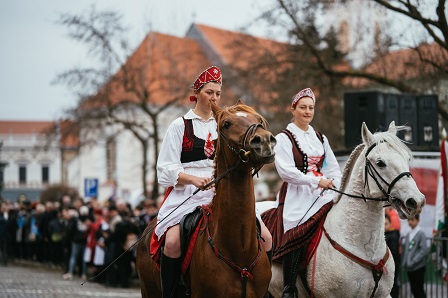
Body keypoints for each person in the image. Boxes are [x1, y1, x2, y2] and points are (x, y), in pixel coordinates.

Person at [151, 66, 273, 297]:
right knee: (173, 242)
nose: (214, 98)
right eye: (209, 92)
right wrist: (193, 179)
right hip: (187, 194)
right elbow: (164, 168)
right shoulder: (180, 126)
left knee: (266, 238)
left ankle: (262, 289)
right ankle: (173, 292)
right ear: (197, 93)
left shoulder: (226, 124)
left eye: (217, 93)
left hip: (223, 192)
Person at [265, 87, 342, 298]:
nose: (307, 112)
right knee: (297, 227)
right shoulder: (284, 138)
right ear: (293, 109)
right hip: (297, 193)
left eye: (311, 108)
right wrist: (316, 181)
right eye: (303, 108)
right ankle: (289, 287)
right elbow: (287, 172)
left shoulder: (320, 137)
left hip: (324, 190)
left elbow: (333, 167)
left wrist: (334, 182)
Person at [402, 214, 427, 298]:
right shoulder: (409, 234)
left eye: (412, 220)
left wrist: (413, 261)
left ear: (418, 220)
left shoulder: (421, 233)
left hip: (418, 267)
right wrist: (405, 263)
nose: (410, 222)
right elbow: (406, 250)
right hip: (410, 267)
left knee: (419, 289)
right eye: (409, 220)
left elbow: (423, 250)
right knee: (413, 289)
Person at [385, 213, 400, 298]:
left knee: (393, 284)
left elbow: (393, 251)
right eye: (383, 224)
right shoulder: (383, 235)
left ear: (390, 224)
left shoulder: (394, 234)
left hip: (393, 263)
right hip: (385, 265)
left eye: (386, 224)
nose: (384, 226)